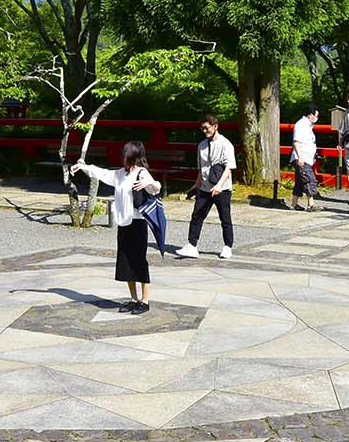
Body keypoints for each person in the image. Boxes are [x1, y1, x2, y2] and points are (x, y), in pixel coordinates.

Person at [76, 141, 162, 313]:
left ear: (135, 156)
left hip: (137, 223)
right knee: (125, 261)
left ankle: (145, 301)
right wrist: (83, 166)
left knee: (139, 261)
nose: (124, 158)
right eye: (123, 155)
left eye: (126, 155)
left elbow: (156, 187)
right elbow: (103, 173)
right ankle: (133, 298)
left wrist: (148, 184)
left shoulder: (142, 173)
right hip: (123, 223)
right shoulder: (120, 174)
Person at [176, 114, 237, 260]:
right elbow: (201, 168)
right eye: (202, 128)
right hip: (204, 187)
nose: (204, 131)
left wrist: (219, 185)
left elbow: (229, 168)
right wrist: (196, 185)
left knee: (225, 218)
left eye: (207, 128)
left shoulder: (226, 144)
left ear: (215, 127)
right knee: (197, 216)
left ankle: (228, 246)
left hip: (222, 187)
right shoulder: (202, 145)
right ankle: (192, 245)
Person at [290, 102, 322, 211]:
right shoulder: (301, 125)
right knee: (309, 179)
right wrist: (300, 157)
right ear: (310, 115)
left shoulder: (308, 126)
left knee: (300, 180)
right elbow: (296, 142)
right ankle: (311, 204)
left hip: (307, 158)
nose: (316, 118)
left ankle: (294, 204)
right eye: (316, 116)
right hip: (302, 157)